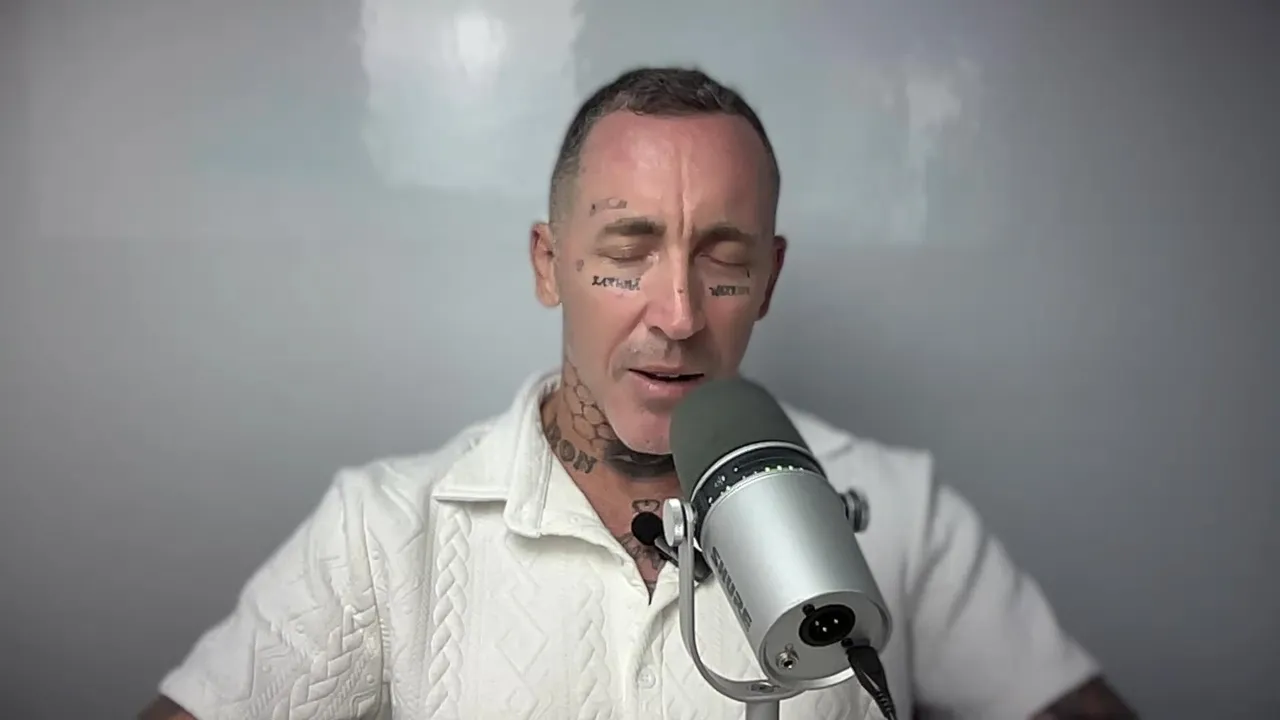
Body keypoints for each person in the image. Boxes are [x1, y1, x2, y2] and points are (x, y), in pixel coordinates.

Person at [141, 67, 1137, 720]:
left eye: (724, 260)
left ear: (770, 279)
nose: (678, 314)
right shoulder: (384, 528)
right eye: (627, 253)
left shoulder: (898, 510)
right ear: (549, 264)